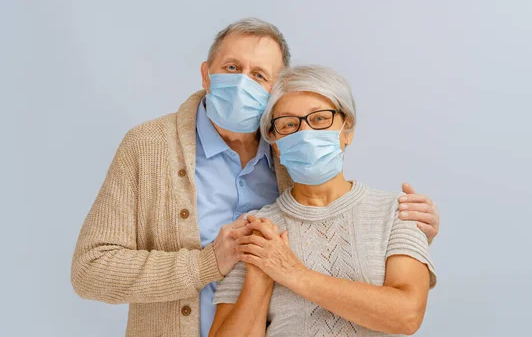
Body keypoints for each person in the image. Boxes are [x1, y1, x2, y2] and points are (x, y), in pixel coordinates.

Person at [71, 18, 440, 337]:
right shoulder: (148, 146)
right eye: (232, 68)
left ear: (274, 91)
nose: (243, 83)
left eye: (260, 75)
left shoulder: (289, 148)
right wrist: (207, 263)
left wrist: (406, 231)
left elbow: (331, 217)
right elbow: (89, 270)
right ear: (206, 73)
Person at [210, 65, 437, 337]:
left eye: (319, 119)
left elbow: (407, 315)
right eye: (289, 124)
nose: (304, 133)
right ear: (276, 142)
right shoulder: (258, 229)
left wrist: (293, 273)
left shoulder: (398, 212)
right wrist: (260, 277)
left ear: (347, 130)